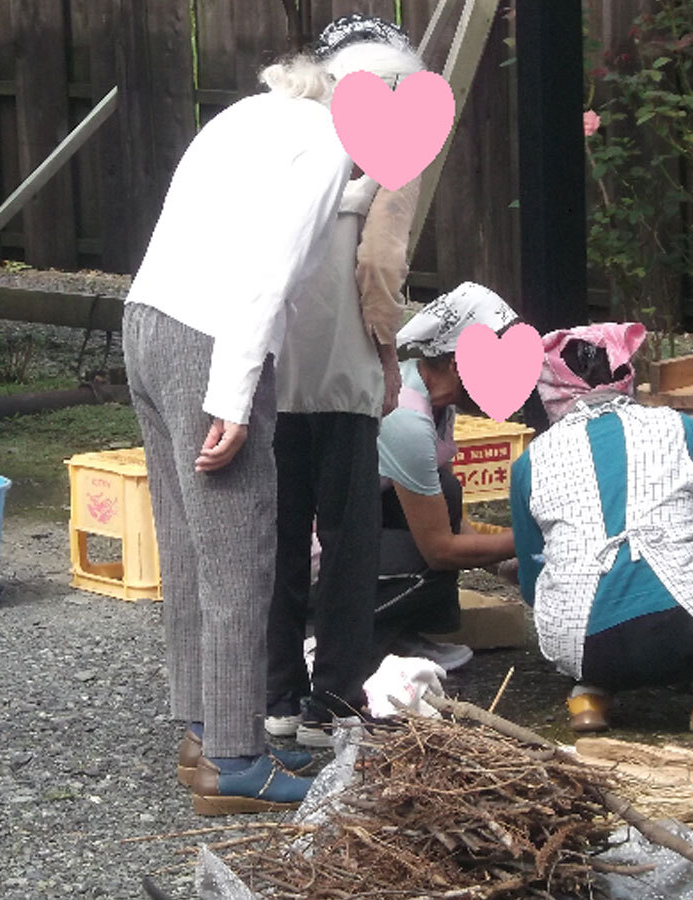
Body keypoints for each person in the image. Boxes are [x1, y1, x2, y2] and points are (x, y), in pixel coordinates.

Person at [123, 21, 366, 815]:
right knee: (240, 553)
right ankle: (234, 758)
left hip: (147, 321)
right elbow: (271, 275)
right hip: (211, 338)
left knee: (191, 546)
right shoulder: (328, 142)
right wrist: (231, 398)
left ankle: (201, 728)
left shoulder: (247, 116)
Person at [509, 323, 693, 735]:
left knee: (582, 588)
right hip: (686, 634)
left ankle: (590, 695)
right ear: (626, 373)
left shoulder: (531, 461)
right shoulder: (678, 427)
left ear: (549, 385)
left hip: (580, 650)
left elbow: (532, 585)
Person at [262, 16, 425, 750]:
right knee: (349, 538)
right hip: (342, 364)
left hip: (268, 363)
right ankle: (334, 700)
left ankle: (275, 698)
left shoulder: (283, 134)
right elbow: (380, 267)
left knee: (279, 534)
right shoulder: (396, 138)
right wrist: (389, 358)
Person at [373, 282, 519, 668]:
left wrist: (504, 564)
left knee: (448, 491)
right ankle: (349, 640)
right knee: (424, 566)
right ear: (459, 364)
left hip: (352, 528)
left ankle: (395, 636)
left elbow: (443, 514)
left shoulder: (438, 403)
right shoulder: (404, 416)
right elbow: (440, 549)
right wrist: (528, 538)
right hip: (313, 559)